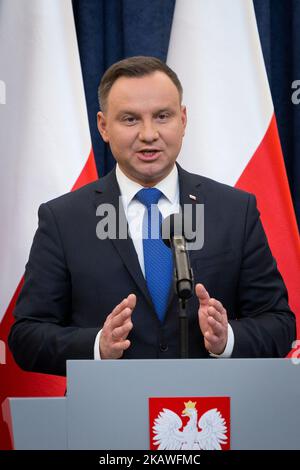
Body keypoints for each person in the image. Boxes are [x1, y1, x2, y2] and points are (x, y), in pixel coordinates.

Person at [9, 56, 296, 376]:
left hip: (209, 415)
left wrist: (226, 339)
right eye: (130, 119)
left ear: (183, 120)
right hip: (105, 417)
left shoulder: (233, 211)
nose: (148, 134)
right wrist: (97, 346)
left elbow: (279, 323)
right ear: (104, 126)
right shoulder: (63, 218)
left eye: (162, 116)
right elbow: (26, 335)